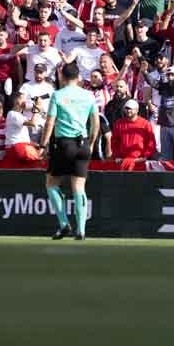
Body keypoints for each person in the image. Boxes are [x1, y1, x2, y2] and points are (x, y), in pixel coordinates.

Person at [40, 62, 100, 241]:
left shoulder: (58, 95)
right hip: (82, 144)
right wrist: (91, 142)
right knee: (79, 187)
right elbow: (95, 122)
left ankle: (64, 224)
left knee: (51, 183)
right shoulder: (88, 95)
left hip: (63, 144)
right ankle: (81, 230)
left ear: (62, 76)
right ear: (78, 77)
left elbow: (50, 122)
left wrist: (43, 146)